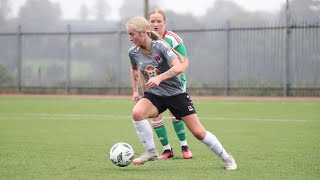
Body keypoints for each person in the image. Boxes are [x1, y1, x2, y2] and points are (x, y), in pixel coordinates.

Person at [126, 16, 237, 170]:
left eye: (132, 34)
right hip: (155, 95)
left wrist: (160, 78)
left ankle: (227, 158)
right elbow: (133, 69)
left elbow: (179, 67)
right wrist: (135, 90)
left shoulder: (161, 46)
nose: (130, 38)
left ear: (143, 32)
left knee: (198, 133)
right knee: (137, 113)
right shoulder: (133, 52)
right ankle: (151, 151)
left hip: (175, 94)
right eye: (129, 35)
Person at [137, 8, 192, 160]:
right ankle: (167, 150)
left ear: (164, 22)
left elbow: (184, 62)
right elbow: (139, 66)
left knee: (175, 114)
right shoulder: (145, 40)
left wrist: (172, 78)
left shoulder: (173, 39)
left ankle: (184, 147)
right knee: (155, 116)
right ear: (148, 23)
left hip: (174, 83)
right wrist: (141, 89)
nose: (155, 24)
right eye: (152, 21)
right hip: (154, 84)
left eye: (159, 21)